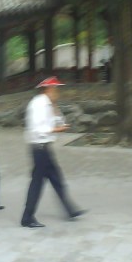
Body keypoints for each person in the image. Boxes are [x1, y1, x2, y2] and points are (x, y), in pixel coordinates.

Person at [21, 77, 86, 228]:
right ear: (48, 89)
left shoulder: (48, 104)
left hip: (45, 148)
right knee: (37, 183)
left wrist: (55, 109)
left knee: (57, 179)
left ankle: (70, 209)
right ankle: (27, 217)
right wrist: (57, 129)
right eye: (56, 89)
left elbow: (59, 121)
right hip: (39, 148)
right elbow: (38, 129)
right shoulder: (38, 104)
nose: (58, 92)